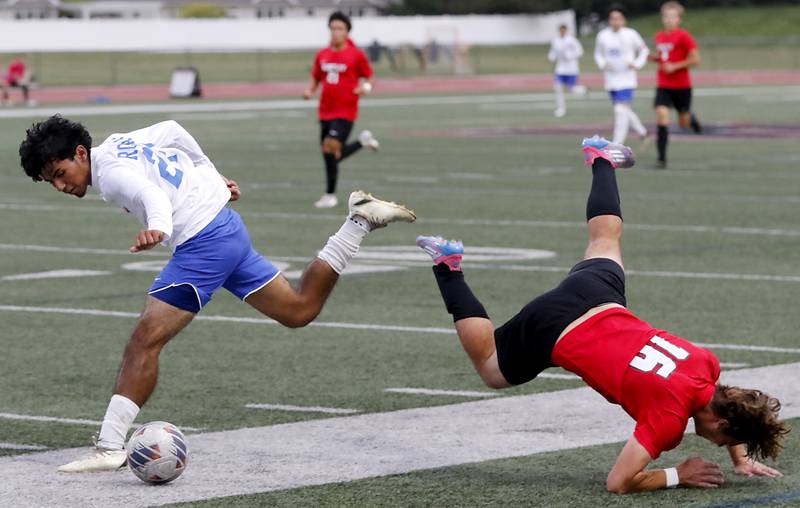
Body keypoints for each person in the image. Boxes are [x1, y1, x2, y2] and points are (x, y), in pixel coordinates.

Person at [18, 115, 416, 472]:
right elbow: (173, 129)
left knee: (144, 341)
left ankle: (109, 447)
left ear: (81, 153)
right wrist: (211, 174)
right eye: (49, 180)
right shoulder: (120, 142)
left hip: (202, 241)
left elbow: (151, 196)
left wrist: (157, 226)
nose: (59, 184)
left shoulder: (111, 174)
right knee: (298, 310)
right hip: (224, 225)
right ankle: (359, 220)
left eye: (59, 172)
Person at [416, 136, 789, 493]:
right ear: (722, 423)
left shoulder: (706, 364)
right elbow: (618, 482)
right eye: (726, 440)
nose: (719, 444)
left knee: (604, 241)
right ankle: (448, 265)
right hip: (556, 328)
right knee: (491, 368)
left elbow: (725, 407)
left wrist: (739, 458)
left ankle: (601, 159)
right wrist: (678, 474)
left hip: (599, 297)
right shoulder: (668, 422)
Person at [303, 11, 378, 209]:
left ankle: (330, 195)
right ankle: (361, 143)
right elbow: (316, 77)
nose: (336, 32)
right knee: (331, 154)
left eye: (340, 29)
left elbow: (370, 77)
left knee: (329, 147)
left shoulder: (356, 55)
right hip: (325, 111)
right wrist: (309, 91)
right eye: (333, 28)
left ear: (347, 32)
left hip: (345, 111)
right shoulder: (323, 54)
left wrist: (366, 88)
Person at [652, 1, 703, 169]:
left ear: (679, 19)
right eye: (666, 16)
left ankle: (690, 116)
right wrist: (653, 58)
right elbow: (663, 57)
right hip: (664, 84)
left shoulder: (684, 36)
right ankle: (661, 158)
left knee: (684, 123)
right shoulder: (658, 36)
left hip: (682, 86)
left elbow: (696, 59)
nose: (669, 19)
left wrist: (675, 66)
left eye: (673, 16)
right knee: (661, 115)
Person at [594, 5, 649, 144]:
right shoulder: (602, 35)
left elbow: (644, 50)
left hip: (627, 79)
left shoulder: (631, 34)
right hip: (611, 80)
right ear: (609, 20)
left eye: (618, 18)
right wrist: (603, 64)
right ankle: (643, 132)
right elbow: (598, 54)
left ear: (624, 20)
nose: (615, 21)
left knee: (620, 110)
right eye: (613, 18)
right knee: (623, 110)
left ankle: (617, 145)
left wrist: (636, 63)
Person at [547, 24, 586, 118]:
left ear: (566, 30)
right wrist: (551, 57)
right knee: (558, 88)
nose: (562, 32)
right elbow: (553, 52)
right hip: (560, 69)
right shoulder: (555, 40)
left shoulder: (572, 40)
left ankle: (583, 90)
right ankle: (561, 109)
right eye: (561, 30)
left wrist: (570, 55)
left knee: (571, 89)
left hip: (571, 69)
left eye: (564, 30)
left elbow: (580, 51)